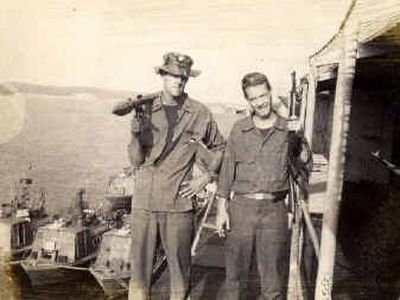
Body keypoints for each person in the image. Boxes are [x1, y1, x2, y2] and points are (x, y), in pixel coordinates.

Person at [113, 52, 225, 300]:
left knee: (179, 272)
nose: (179, 80)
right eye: (173, 75)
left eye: (183, 76)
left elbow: (220, 147)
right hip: (144, 204)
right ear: (162, 75)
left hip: (178, 206)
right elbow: (135, 160)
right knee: (139, 274)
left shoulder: (199, 113)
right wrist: (134, 135)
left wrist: (206, 177)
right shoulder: (145, 109)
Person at [215, 72, 312, 300]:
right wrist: (221, 209)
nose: (260, 102)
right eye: (253, 98)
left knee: (273, 281)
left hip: (274, 211)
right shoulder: (239, 129)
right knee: (235, 279)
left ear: (270, 93)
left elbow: (305, 160)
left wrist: (297, 135)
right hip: (241, 209)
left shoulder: (287, 128)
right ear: (248, 101)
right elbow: (227, 169)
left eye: (263, 95)